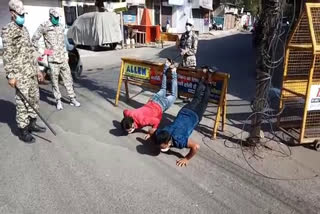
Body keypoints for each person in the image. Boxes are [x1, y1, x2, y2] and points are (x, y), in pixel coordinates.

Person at [2, 0, 46, 143]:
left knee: (34, 99)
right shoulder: (8, 30)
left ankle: (32, 123)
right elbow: (7, 55)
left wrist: (38, 70)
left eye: (23, 14)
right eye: (20, 14)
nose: (23, 17)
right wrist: (11, 76)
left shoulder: (24, 29)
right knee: (22, 103)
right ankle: (23, 130)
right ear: (12, 13)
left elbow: (30, 51)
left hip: (31, 72)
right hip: (20, 74)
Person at [154, 68, 214, 167]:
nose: (161, 148)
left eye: (162, 146)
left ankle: (210, 76)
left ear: (168, 143)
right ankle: (204, 76)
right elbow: (152, 131)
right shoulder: (161, 132)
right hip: (185, 110)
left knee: (204, 100)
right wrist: (149, 135)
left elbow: (196, 147)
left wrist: (186, 158)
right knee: (197, 98)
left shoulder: (179, 141)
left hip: (195, 115)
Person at [32, 8, 80, 110]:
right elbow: (34, 40)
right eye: (55, 18)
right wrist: (44, 51)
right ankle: (58, 101)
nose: (57, 19)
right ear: (50, 16)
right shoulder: (44, 25)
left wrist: (66, 55)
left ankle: (72, 99)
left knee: (68, 79)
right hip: (53, 60)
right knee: (55, 81)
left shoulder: (61, 26)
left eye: (58, 18)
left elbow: (63, 43)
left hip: (62, 58)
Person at [121, 59, 177, 138]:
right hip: (153, 99)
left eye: (130, 130)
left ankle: (174, 71)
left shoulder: (142, 121)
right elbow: (125, 111)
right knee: (163, 88)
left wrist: (151, 132)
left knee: (174, 95)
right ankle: (166, 67)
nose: (129, 132)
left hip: (160, 105)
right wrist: (126, 121)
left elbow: (156, 121)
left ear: (133, 124)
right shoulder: (128, 114)